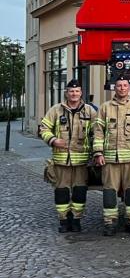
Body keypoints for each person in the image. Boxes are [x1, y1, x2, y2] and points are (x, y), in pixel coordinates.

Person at [93, 75, 130, 236]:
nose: (122, 88)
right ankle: (110, 223)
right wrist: (98, 153)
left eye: (125, 85)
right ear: (114, 88)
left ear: (129, 88)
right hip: (110, 159)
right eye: (119, 85)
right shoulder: (105, 108)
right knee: (109, 192)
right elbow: (98, 132)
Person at [40, 78, 97, 233]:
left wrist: (96, 151)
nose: (74, 94)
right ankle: (64, 221)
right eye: (71, 91)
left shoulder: (89, 111)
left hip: (82, 162)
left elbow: (98, 132)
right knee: (61, 192)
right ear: (66, 93)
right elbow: (44, 129)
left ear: (81, 93)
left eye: (77, 91)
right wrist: (53, 140)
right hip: (61, 161)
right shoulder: (55, 110)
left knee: (80, 192)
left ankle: (76, 220)